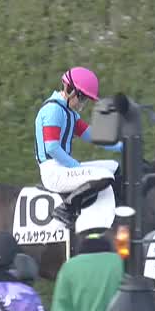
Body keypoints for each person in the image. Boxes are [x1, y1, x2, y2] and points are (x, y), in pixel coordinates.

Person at [34, 66, 123, 226]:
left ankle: (114, 209)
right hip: (53, 172)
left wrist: (122, 146)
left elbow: (93, 136)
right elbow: (52, 147)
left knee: (114, 167)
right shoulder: (53, 110)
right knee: (105, 176)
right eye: (82, 98)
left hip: (64, 167)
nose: (83, 103)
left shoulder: (69, 113)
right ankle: (65, 209)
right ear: (70, 91)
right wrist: (75, 166)